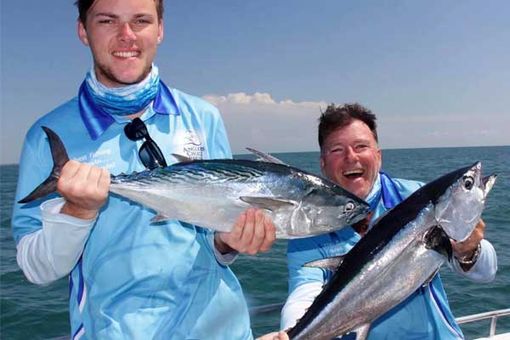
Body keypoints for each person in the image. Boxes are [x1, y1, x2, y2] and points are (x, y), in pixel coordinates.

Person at [11, 0, 277, 338]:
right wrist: (76, 212)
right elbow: (38, 269)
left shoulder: (203, 117)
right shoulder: (47, 135)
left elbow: (214, 240)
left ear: (160, 30)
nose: (127, 35)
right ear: (83, 30)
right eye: (108, 21)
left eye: (140, 20)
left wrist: (228, 243)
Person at [278, 103, 498, 339]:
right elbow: (304, 289)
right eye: (337, 150)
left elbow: (487, 272)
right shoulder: (308, 225)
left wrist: (469, 250)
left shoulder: (412, 195)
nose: (351, 157)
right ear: (322, 164)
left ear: (378, 156)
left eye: (361, 146)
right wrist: (291, 333)